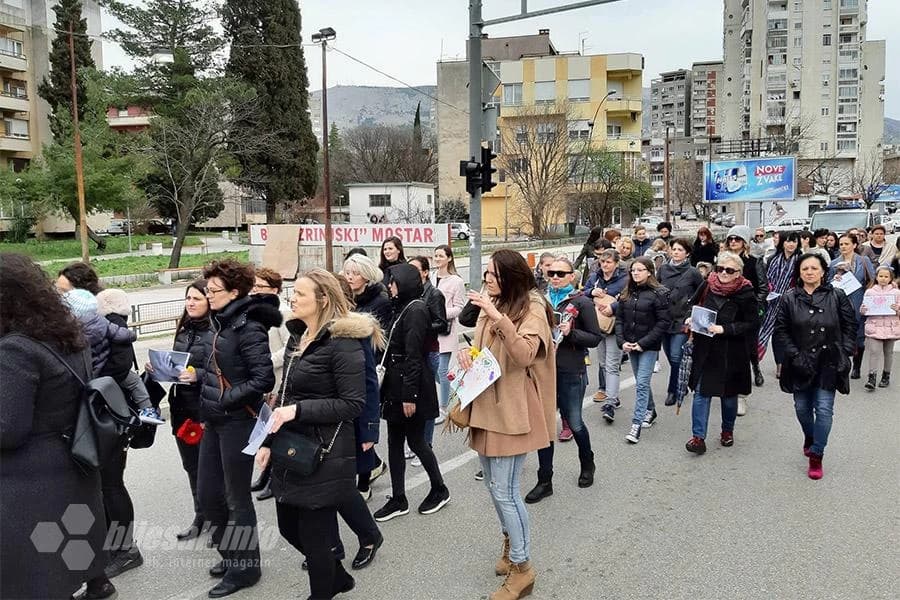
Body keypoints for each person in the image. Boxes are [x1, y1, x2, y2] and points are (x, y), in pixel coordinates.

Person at [1, 254, 112, 600]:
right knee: (62, 571)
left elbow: (7, 429)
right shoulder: (66, 334)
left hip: (28, 488)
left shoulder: (15, 349)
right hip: (71, 468)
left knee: (36, 581)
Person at [257, 270, 372, 600]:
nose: (292, 299)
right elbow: (286, 393)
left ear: (322, 300)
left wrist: (298, 411)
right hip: (292, 448)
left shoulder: (343, 342)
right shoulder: (298, 335)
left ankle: (323, 590)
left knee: (315, 538)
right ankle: (338, 578)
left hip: (325, 453)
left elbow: (353, 403)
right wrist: (267, 441)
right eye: (293, 292)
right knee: (288, 527)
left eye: (300, 294)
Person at [457, 249, 556, 600]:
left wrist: (497, 316)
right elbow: (485, 350)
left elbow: (524, 355)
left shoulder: (533, 307)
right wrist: (467, 355)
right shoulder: (496, 302)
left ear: (512, 278)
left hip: (514, 409)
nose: (487, 279)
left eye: (494, 275)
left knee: (506, 491)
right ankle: (511, 545)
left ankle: (523, 567)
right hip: (487, 403)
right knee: (494, 488)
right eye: (486, 273)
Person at [188, 258, 282, 598]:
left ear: (235, 292)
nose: (208, 295)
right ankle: (231, 555)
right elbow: (215, 371)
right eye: (208, 289)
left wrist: (227, 398)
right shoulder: (219, 322)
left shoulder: (248, 327)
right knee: (208, 495)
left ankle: (246, 568)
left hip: (238, 421)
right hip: (214, 420)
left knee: (236, 498)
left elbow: (263, 378)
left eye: (214, 290)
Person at [373, 263, 449, 522]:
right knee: (394, 441)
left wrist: (409, 396)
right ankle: (398, 498)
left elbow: (414, 355)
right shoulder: (401, 306)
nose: (389, 286)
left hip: (410, 385)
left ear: (405, 282)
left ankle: (439, 489)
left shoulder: (416, 309)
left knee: (416, 441)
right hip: (396, 383)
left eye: (393, 281)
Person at [774, 253, 857, 480]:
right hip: (799, 362)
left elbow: (850, 326)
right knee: (802, 408)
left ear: (823, 271)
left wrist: (845, 351)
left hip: (828, 361)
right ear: (799, 273)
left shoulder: (837, 296)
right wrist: (794, 354)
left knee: (823, 409)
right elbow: (781, 330)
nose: (809, 272)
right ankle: (810, 437)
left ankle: (817, 454)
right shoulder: (789, 298)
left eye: (814, 268)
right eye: (805, 269)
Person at [525, 256, 601, 504]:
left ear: (572, 276)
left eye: (561, 273)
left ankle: (587, 463)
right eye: (552, 273)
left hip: (571, 370)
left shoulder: (582, 302)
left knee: (575, 422)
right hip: (543, 370)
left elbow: (595, 338)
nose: (555, 277)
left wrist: (571, 333)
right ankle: (545, 480)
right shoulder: (540, 300)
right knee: (546, 426)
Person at [684, 251, 760, 454]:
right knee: (701, 393)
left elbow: (752, 323)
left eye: (729, 270)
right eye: (720, 269)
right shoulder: (707, 284)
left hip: (732, 352)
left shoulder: (746, 292)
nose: (723, 273)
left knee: (728, 396)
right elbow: (692, 304)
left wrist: (725, 329)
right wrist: (690, 319)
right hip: (706, 349)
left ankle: (727, 430)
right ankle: (698, 438)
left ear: (739, 273)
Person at [160, 278, 212, 541]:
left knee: (211, 470)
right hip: (181, 407)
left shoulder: (215, 332)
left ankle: (220, 521)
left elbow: (223, 372)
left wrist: (197, 375)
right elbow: (178, 365)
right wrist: (161, 369)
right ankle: (200, 516)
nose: (190, 303)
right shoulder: (184, 330)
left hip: (204, 408)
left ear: (209, 301)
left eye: (197, 299)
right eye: (188, 298)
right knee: (191, 467)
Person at [341, 254, 390, 495]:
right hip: (350, 366)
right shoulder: (346, 298)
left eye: (355, 273)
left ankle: (364, 482)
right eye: (347, 272)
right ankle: (374, 465)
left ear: (367, 276)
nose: (350, 277)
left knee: (364, 425)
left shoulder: (379, 301)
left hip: (368, 365)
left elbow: (380, 340)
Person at [615, 257, 671, 443]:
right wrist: (622, 341)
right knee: (642, 381)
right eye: (633, 270)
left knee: (641, 384)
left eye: (640, 270)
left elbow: (663, 322)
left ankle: (636, 424)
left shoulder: (659, 293)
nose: (636, 273)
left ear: (649, 272)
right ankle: (651, 410)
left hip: (648, 345)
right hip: (630, 344)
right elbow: (620, 319)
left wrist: (643, 343)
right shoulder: (627, 292)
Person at [249, 268, 293, 502]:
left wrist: (267, 360)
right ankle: (265, 474)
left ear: (275, 290)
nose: (255, 290)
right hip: (263, 379)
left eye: (261, 287)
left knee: (275, 431)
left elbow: (290, 346)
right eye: (254, 286)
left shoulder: (283, 313)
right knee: (264, 428)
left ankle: (274, 479)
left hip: (278, 377)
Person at [407, 256, 448, 452]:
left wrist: (419, 327)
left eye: (415, 270)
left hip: (429, 352)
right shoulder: (407, 292)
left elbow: (442, 324)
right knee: (410, 399)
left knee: (427, 402)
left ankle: (426, 445)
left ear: (425, 272)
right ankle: (415, 443)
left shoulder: (434, 294)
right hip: (411, 352)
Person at [725, 225, 768, 411]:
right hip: (727, 312)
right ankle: (730, 389)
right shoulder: (722, 260)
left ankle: (755, 368)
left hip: (748, 312)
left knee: (749, 346)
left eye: (737, 238)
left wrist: (754, 306)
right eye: (731, 239)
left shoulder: (754, 261)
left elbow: (763, 287)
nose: (733, 241)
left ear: (745, 242)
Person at [658, 238, 704, 406]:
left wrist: (692, 313)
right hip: (664, 318)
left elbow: (701, 293)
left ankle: (674, 390)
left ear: (687, 253)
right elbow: (655, 288)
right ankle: (682, 379)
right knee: (670, 355)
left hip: (683, 319)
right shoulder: (662, 269)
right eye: (674, 249)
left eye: (680, 250)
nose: (676, 252)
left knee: (676, 354)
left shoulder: (693, 272)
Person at [585, 249, 628, 419]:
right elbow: (583, 293)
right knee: (603, 363)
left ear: (616, 263)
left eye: (608, 262)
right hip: (598, 324)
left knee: (611, 364)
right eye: (602, 261)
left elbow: (629, 299)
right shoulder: (594, 277)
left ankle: (610, 401)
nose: (604, 265)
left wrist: (613, 306)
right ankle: (612, 395)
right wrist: (591, 292)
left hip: (615, 326)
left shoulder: (625, 279)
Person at [829, 233, 875, 380]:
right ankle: (843, 365)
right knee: (840, 333)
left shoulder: (863, 260)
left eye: (846, 244)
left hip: (859, 300)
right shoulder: (834, 263)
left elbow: (872, 279)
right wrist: (834, 278)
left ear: (854, 245)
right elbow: (827, 283)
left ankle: (857, 366)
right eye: (841, 244)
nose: (843, 247)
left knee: (859, 335)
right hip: (840, 302)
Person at [432, 244, 467, 421]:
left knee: (441, 369)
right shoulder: (431, 277)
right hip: (429, 329)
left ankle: (443, 408)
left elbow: (459, 307)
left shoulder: (456, 281)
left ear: (449, 258)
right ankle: (460, 389)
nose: (437, 259)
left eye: (441, 256)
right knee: (435, 369)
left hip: (445, 330)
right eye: (436, 256)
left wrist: (440, 313)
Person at [758, 231, 800, 375]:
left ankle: (789, 363)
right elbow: (765, 279)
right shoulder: (773, 259)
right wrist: (769, 288)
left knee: (788, 334)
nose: (791, 244)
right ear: (782, 243)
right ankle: (779, 364)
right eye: (788, 241)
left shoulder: (801, 260)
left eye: (794, 241)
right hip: (772, 302)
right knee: (775, 332)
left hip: (792, 302)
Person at [859, 265, 900, 390]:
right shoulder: (870, 292)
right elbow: (863, 309)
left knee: (888, 353)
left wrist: (897, 309)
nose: (883, 278)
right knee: (874, 352)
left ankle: (886, 376)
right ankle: (872, 377)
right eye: (880, 276)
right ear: (876, 277)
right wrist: (863, 310)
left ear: (891, 278)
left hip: (890, 326)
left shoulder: (896, 292)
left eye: (886, 276)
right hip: (874, 325)